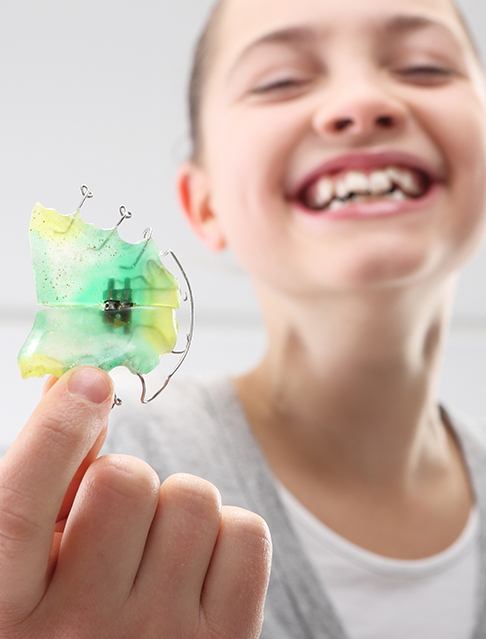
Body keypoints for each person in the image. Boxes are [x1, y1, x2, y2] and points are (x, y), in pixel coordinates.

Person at [1, 0, 486, 637]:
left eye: (425, 68)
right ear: (202, 207)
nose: (362, 102)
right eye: (280, 79)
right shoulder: (86, 493)